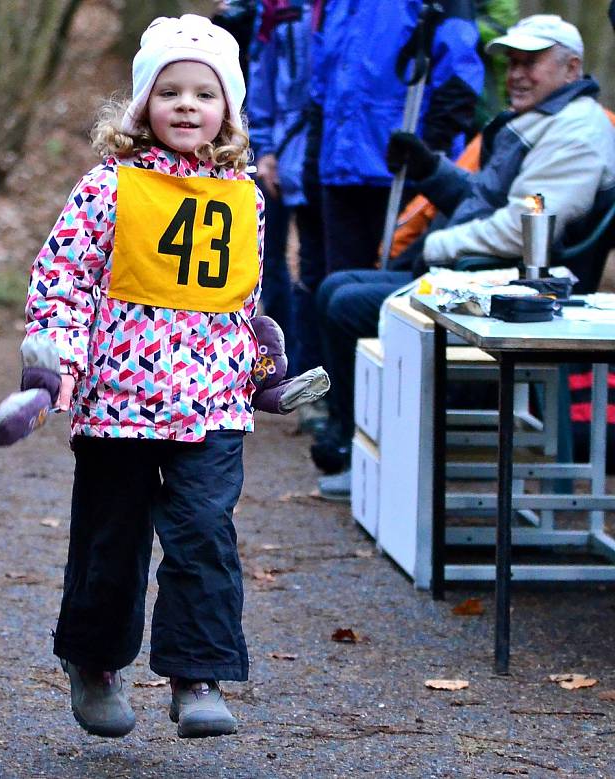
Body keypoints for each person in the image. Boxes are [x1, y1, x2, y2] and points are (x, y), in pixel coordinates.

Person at [23, 14, 263, 739]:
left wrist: (262, 361)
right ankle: (94, 662)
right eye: (170, 91)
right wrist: (56, 357)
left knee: (203, 533)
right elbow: (60, 277)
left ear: (228, 110)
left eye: (204, 93)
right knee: (111, 539)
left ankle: (198, 673)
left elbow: (242, 298)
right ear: (141, 106)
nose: (188, 105)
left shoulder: (244, 196)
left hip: (213, 403)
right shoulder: (109, 188)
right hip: (118, 400)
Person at [313, 14, 615, 500]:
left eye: (530, 63)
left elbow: (522, 229)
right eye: (512, 63)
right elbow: (486, 196)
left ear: (572, 67)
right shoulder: (543, 120)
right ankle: (352, 438)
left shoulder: (576, 132)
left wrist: (433, 248)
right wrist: (431, 170)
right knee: (337, 287)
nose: (515, 74)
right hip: (482, 275)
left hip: (513, 291)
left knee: (347, 305)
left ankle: (373, 454)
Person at [310, 0, 484, 274]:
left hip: (404, 170)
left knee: (397, 287)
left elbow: (460, 74)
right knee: (340, 287)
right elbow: (321, 82)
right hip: (340, 167)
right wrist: (314, 155)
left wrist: (429, 155)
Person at [247, 0, 319, 377]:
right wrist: (266, 148)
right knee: (268, 259)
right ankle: (275, 362)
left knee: (313, 266)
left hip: (327, 153)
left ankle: (308, 368)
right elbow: (263, 77)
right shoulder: (276, 9)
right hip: (280, 148)